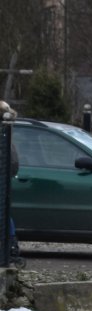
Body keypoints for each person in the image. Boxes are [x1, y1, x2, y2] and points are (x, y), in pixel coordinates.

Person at [0, 100, 20, 265]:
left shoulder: (3, 132)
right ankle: (11, 245)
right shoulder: (7, 131)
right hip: (5, 176)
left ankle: (10, 247)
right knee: (4, 213)